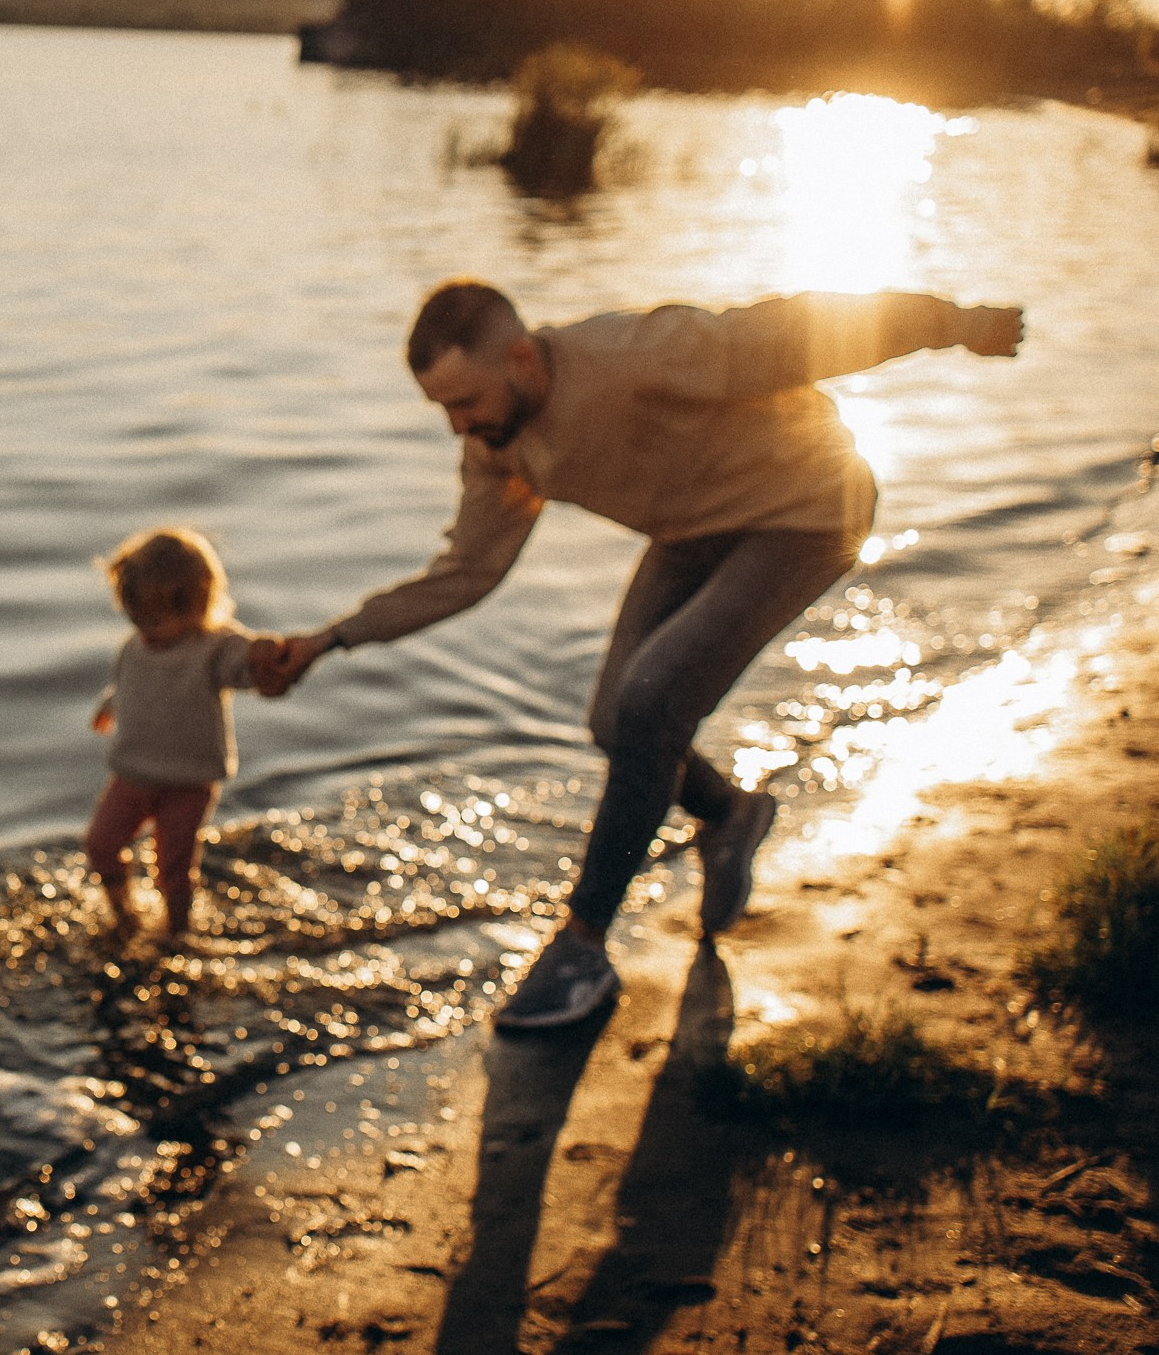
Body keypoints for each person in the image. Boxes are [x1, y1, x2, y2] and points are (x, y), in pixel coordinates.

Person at [255, 280, 1023, 1029]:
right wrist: (331, 638)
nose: (458, 425)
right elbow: (466, 572)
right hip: (691, 535)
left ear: (520, 358)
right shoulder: (499, 448)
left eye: (466, 401)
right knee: (612, 722)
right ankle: (731, 813)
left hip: (809, 515)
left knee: (650, 702)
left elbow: (798, 332)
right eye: (442, 410)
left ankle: (583, 942)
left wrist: (957, 323)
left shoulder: (634, 355)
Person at [85, 528, 277, 954]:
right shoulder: (134, 647)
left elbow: (244, 667)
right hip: (133, 775)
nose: (144, 630)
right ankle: (124, 916)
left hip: (188, 782)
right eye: (135, 618)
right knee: (100, 844)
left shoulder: (214, 648)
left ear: (196, 605)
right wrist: (110, 704)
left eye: (154, 621)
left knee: (172, 866)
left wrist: (263, 655)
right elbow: (132, 684)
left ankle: (175, 933)